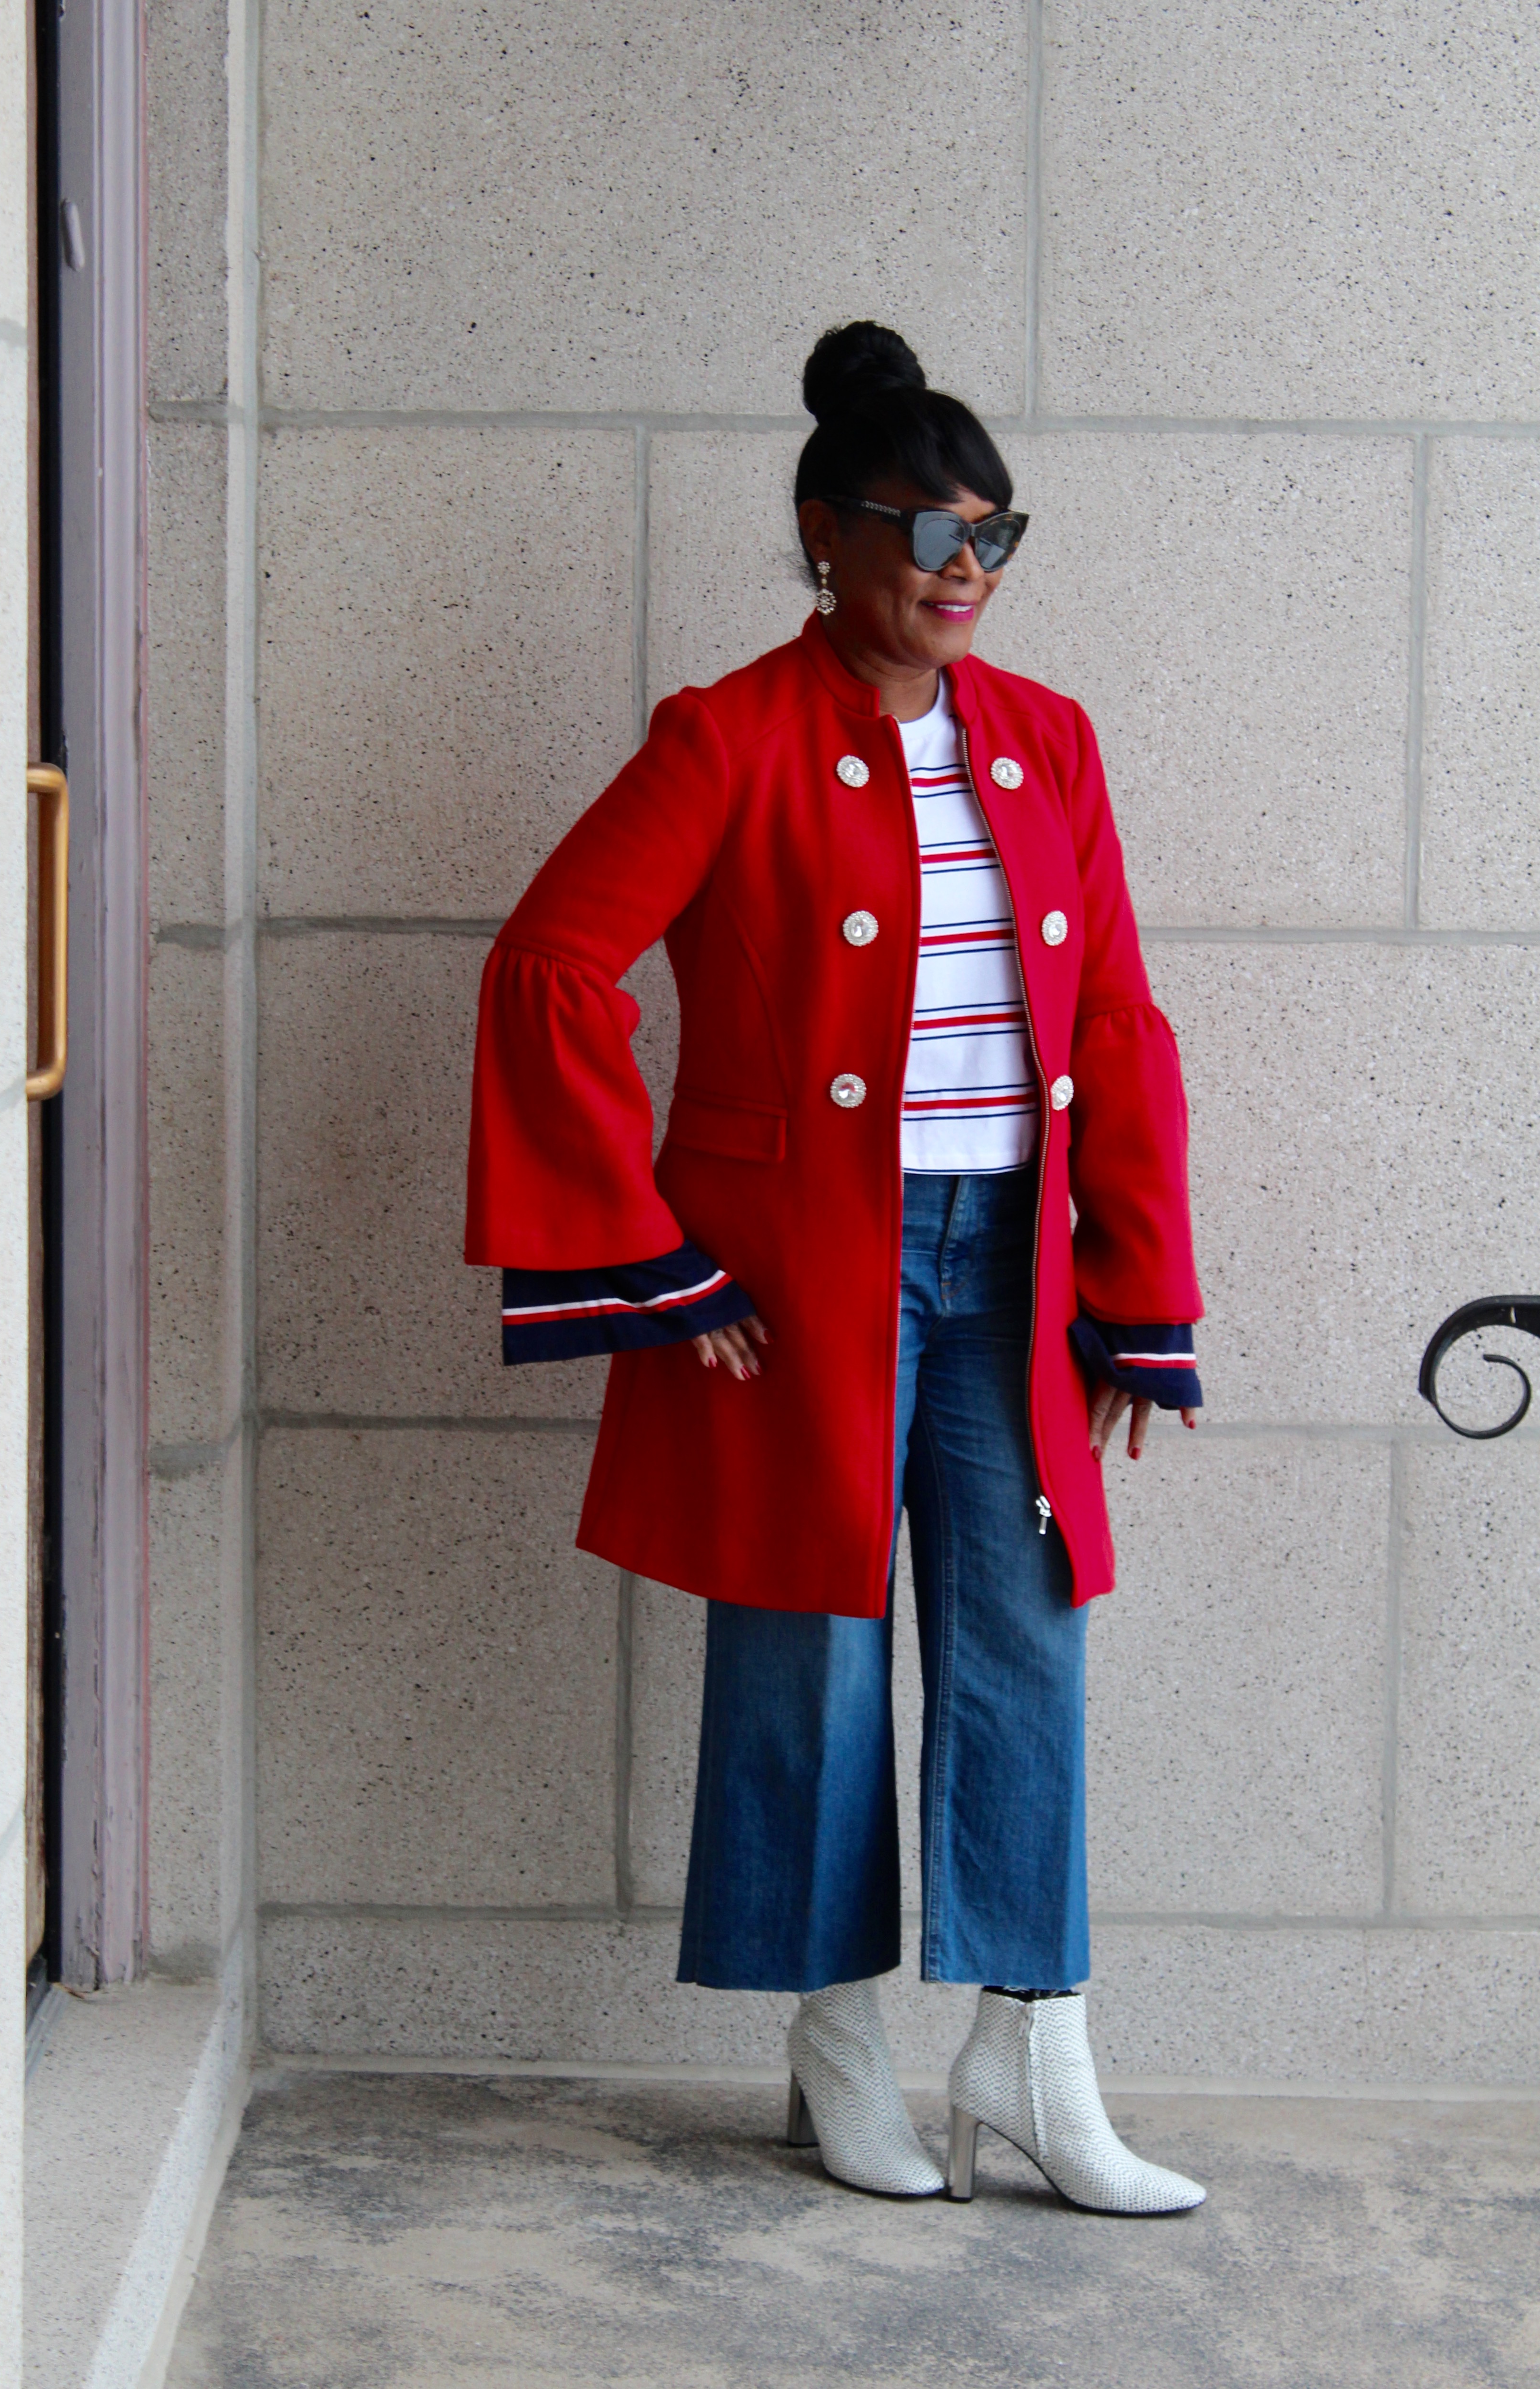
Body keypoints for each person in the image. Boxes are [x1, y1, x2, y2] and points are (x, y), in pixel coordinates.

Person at [466, 322, 1206, 2213]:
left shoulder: (1050, 740)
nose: (965, 569)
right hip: (807, 1273)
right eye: (926, 526)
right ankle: (836, 2046)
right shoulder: (728, 734)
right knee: (810, 1650)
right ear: (827, 533)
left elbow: (1113, 1018)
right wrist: (654, 1255)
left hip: (1008, 1262)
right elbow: (551, 968)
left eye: (994, 533)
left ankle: (1038, 2051)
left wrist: (1136, 1285)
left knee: (1026, 1637)